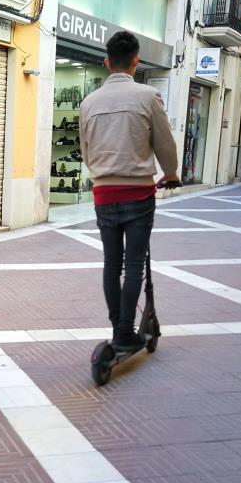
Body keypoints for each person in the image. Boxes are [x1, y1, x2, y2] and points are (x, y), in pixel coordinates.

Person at [79, 31, 178, 352]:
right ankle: (125, 330)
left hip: (104, 194)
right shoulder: (148, 97)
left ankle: (116, 325)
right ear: (136, 60)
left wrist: (101, 171)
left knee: (112, 263)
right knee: (134, 266)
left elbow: (85, 149)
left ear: (107, 62)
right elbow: (164, 142)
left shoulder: (88, 102)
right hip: (138, 193)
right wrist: (171, 173)